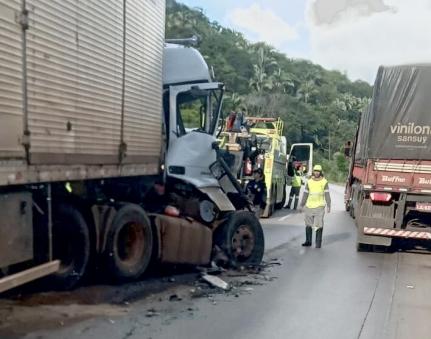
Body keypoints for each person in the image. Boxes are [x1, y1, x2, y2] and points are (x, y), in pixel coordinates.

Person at [299, 164, 331, 248]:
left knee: (318, 225)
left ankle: (318, 243)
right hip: (309, 206)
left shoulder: (324, 182)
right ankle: (308, 241)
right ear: (313, 171)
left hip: (319, 206)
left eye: (318, 171)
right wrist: (302, 205)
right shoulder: (309, 181)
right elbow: (305, 194)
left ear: (320, 172)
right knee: (308, 224)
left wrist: (328, 205)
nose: (316, 173)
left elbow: (327, 194)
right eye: (315, 171)